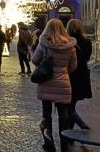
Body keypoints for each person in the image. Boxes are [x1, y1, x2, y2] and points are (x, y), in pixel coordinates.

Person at [31, 19, 77, 152]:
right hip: (63, 83)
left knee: (46, 116)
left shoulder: (44, 44)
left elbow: (34, 59)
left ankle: (49, 145)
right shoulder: (70, 46)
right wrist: (63, 71)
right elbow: (74, 66)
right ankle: (64, 146)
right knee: (63, 117)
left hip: (46, 83)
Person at [66, 19, 92, 130]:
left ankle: (82, 126)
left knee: (68, 106)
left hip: (70, 75)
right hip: (81, 76)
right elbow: (87, 58)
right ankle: (70, 133)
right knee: (72, 105)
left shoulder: (66, 42)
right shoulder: (87, 42)